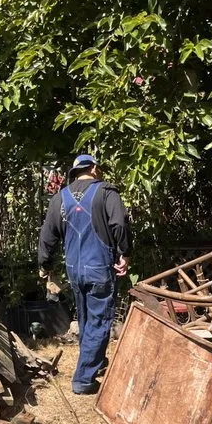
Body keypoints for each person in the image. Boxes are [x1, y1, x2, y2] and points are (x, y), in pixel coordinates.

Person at [38, 154, 131, 394]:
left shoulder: (60, 198)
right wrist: (124, 253)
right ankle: (84, 379)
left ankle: (95, 363)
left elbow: (47, 235)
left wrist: (45, 264)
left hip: (75, 270)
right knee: (99, 321)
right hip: (99, 267)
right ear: (95, 168)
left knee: (87, 319)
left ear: (74, 172)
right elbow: (119, 224)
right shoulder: (106, 192)